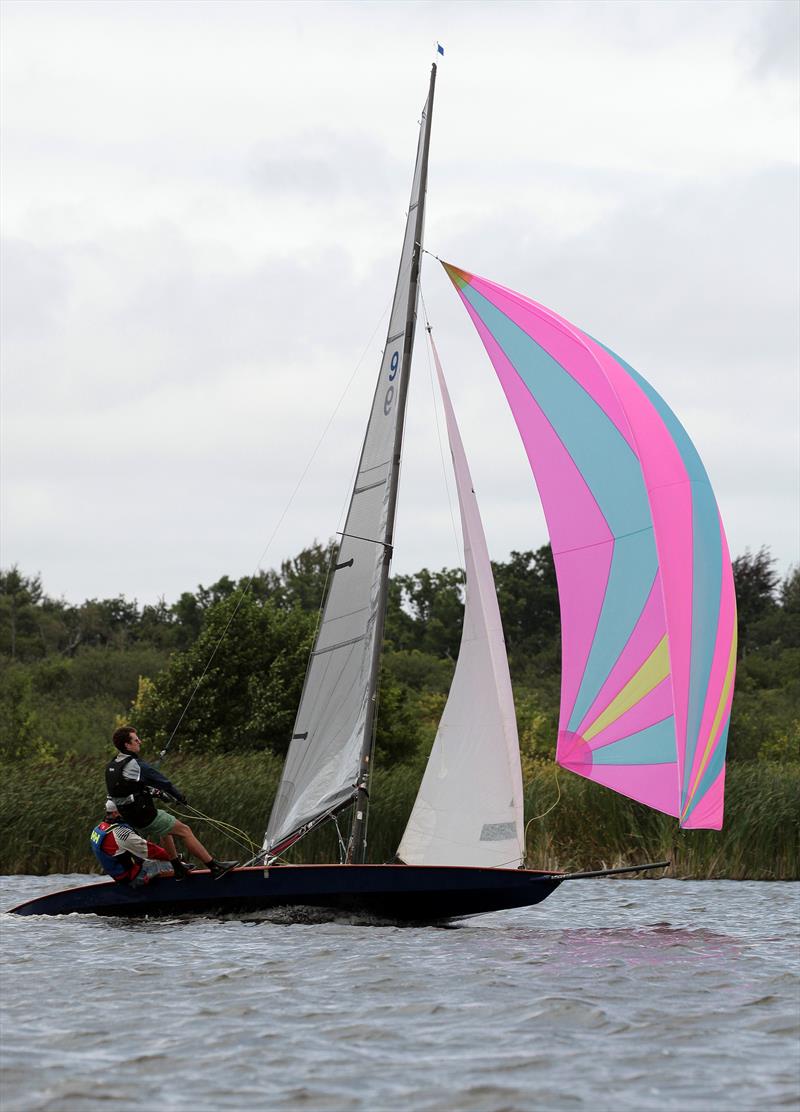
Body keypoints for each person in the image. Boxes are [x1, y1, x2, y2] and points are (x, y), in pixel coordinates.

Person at [105, 726, 236, 879]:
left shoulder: (112, 766)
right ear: (127, 745)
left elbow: (127, 791)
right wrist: (179, 796)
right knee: (185, 830)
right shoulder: (135, 764)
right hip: (145, 816)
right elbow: (164, 782)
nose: (139, 741)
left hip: (131, 817)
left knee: (165, 830)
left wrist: (156, 794)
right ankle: (214, 867)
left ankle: (178, 868)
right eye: (136, 739)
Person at [90, 800, 179, 885]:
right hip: (134, 877)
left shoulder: (98, 829)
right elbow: (151, 851)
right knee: (176, 865)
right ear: (115, 813)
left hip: (120, 877)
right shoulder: (121, 833)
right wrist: (175, 858)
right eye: (125, 810)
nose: (129, 812)